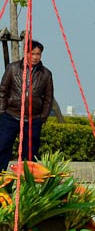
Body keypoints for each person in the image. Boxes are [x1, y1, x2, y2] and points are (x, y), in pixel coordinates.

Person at [0, 40, 53, 171]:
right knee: (3, 147)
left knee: (30, 153)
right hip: (10, 116)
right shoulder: (12, 68)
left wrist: (43, 117)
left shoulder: (46, 74)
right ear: (26, 53)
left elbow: (48, 98)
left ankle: (26, 182)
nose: (35, 57)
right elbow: (3, 91)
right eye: (32, 53)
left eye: (38, 54)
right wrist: (2, 112)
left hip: (33, 119)